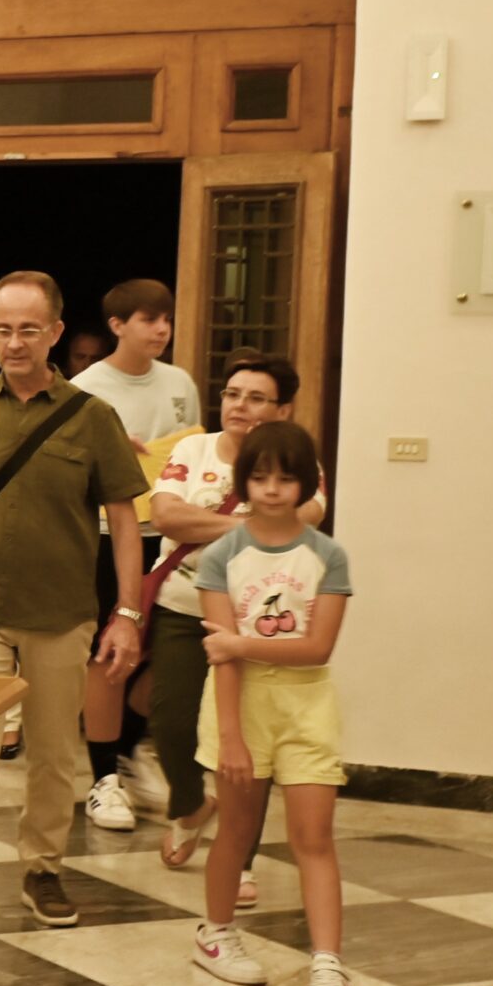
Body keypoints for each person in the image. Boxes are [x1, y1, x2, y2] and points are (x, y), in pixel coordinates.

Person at [0, 271, 147, 946]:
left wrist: (128, 613)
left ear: (54, 332)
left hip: (61, 611)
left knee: (51, 754)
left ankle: (43, 869)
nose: (14, 342)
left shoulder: (92, 417)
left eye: (27, 329)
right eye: (2, 329)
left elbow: (124, 521)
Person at [189, 421, 356, 986]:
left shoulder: (327, 556)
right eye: (260, 477)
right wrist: (231, 737)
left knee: (315, 837)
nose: (272, 488)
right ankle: (215, 934)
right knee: (236, 831)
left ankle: (328, 965)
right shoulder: (222, 555)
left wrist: (239, 642)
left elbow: (318, 649)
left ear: (306, 483)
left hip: (308, 706)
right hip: (240, 703)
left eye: (286, 478)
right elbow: (222, 659)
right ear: (244, 482)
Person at [148, 352, 327, 900]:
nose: (238, 406)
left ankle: (241, 859)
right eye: (231, 394)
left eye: (255, 398)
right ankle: (189, 805)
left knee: (249, 743)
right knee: (172, 721)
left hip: (258, 621)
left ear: (282, 409)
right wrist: (249, 524)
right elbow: (165, 516)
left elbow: (306, 516)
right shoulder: (193, 449)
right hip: (184, 608)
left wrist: (208, 525)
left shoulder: (297, 459)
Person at [66, 279, 203, 831]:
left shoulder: (180, 382)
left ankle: (132, 751)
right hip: (105, 536)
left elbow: (195, 456)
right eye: (149, 319)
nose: (162, 329)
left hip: (167, 537)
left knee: (162, 655)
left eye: (166, 319)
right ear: (117, 326)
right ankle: (104, 778)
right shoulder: (85, 389)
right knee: (109, 655)